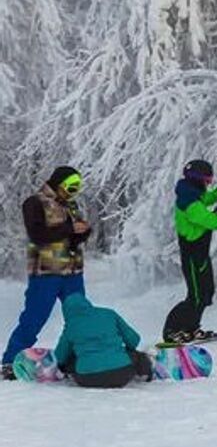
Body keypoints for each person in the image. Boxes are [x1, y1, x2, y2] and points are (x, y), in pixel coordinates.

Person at [2, 166, 90, 379]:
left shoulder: (71, 205)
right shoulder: (34, 203)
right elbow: (38, 234)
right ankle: (10, 361)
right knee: (35, 317)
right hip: (46, 272)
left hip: (72, 272)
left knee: (80, 316)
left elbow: (71, 238)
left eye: (77, 188)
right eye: (70, 188)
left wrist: (82, 232)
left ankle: (79, 356)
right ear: (58, 183)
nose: (73, 193)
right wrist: (70, 229)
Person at [162, 158, 217, 344]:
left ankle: (191, 328)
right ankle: (172, 330)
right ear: (196, 179)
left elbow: (207, 198)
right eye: (206, 181)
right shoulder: (188, 202)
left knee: (206, 293)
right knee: (195, 296)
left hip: (200, 254)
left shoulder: (193, 195)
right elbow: (214, 221)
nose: (208, 185)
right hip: (191, 254)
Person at [53, 293, 153, 389]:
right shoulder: (109, 314)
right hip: (122, 373)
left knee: (72, 358)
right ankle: (147, 370)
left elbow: (60, 356)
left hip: (86, 379)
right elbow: (134, 340)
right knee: (137, 356)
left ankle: (64, 375)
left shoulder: (71, 325)